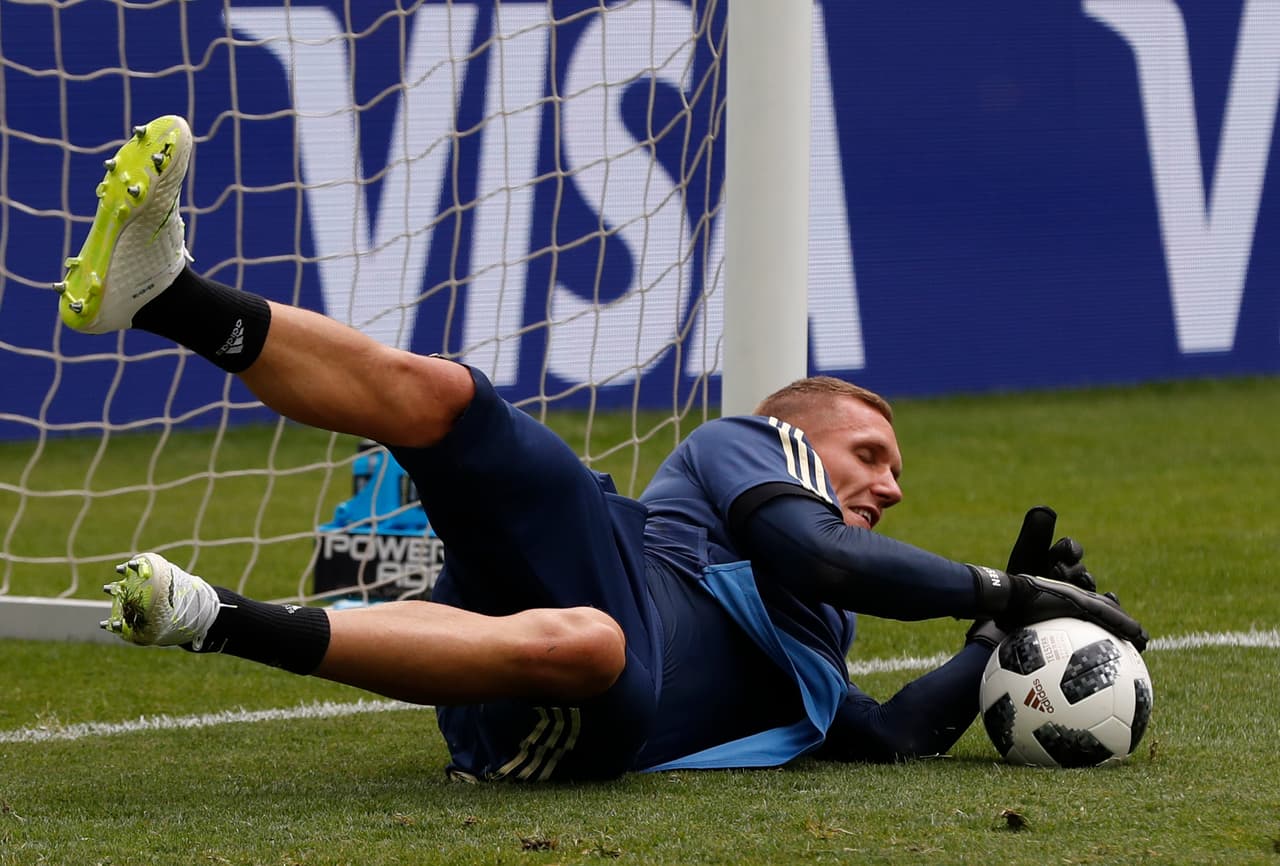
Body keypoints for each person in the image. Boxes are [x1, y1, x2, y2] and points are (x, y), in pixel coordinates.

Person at [52, 115, 1147, 781]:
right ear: (795, 430)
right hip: (591, 551)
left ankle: (215, 619)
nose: (891, 485)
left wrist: (1002, 629)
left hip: (565, 712)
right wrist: (993, 588)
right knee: (443, 395)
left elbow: (893, 736)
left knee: (589, 643)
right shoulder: (742, 452)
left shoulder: (813, 656)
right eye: (868, 451)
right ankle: (170, 296)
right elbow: (821, 555)